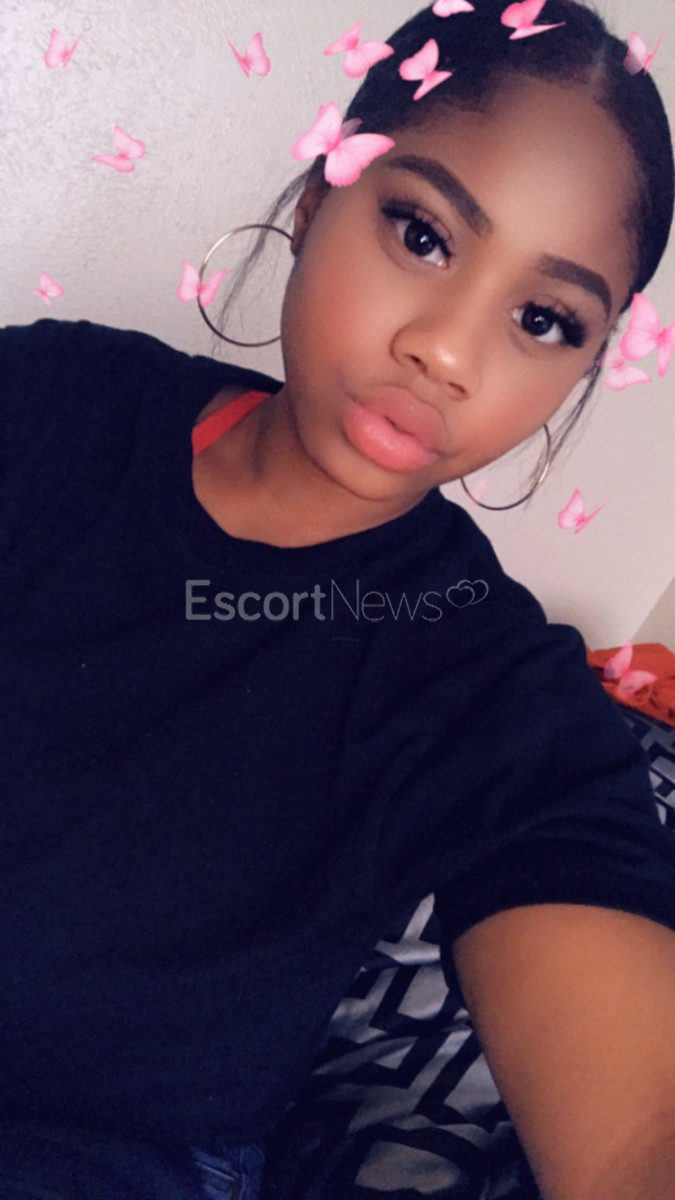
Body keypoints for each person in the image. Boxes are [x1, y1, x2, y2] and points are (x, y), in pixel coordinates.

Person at [2, 0, 675, 1197]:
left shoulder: (490, 687)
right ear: (321, 199)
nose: (449, 352)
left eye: (543, 319)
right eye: (423, 234)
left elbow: (636, 1134)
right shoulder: (52, 402)